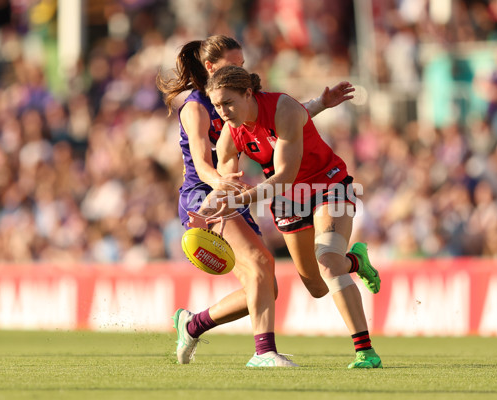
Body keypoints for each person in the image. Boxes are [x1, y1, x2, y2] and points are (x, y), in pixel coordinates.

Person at [156, 35, 356, 367]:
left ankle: (192, 325)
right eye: (234, 64)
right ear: (211, 67)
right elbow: (203, 163)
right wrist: (220, 184)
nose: (242, 70)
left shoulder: (239, 95)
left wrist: (319, 105)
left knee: (264, 285)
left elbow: (275, 121)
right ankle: (263, 353)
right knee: (262, 266)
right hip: (205, 194)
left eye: (243, 64)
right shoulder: (196, 107)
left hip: (233, 191)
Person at [204, 65, 382, 369]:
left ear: (248, 93)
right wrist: (213, 204)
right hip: (287, 202)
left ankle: (365, 352)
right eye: (217, 105)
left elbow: (284, 176)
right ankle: (356, 261)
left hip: (326, 183)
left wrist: (241, 198)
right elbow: (225, 179)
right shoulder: (229, 135)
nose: (223, 111)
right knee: (316, 286)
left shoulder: (282, 107)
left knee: (327, 261)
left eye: (228, 102)